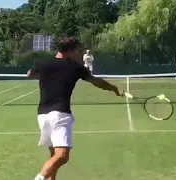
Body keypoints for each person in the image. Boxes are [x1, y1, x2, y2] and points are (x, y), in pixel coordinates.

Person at [27, 37, 124, 180]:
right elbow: (97, 82)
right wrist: (114, 88)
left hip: (42, 115)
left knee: (54, 157)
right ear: (72, 50)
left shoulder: (43, 63)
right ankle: (39, 178)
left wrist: (44, 75)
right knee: (62, 156)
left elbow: (29, 74)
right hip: (59, 115)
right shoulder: (75, 67)